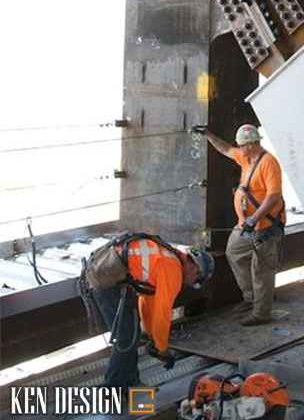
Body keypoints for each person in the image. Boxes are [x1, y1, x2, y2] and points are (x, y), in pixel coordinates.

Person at [83, 233, 214, 390]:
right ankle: (112, 388)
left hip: (107, 272)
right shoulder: (173, 270)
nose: (191, 284)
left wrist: (152, 336)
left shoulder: (170, 258)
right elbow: (162, 313)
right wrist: (162, 349)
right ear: (195, 269)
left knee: (132, 335)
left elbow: (147, 300)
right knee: (125, 338)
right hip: (105, 279)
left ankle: (131, 381)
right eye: (196, 281)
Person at [195, 123, 285, 326]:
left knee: (262, 268)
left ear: (252, 144)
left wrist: (255, 218)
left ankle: (262, 312)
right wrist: (209, 134)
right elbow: (225, 149)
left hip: (265, 227)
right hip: (246, 224)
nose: (239, 148)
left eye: (242, 145)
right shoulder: (246, 157)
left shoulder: (268, 163)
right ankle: (252, 297)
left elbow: (273, 195)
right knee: (234, 252)